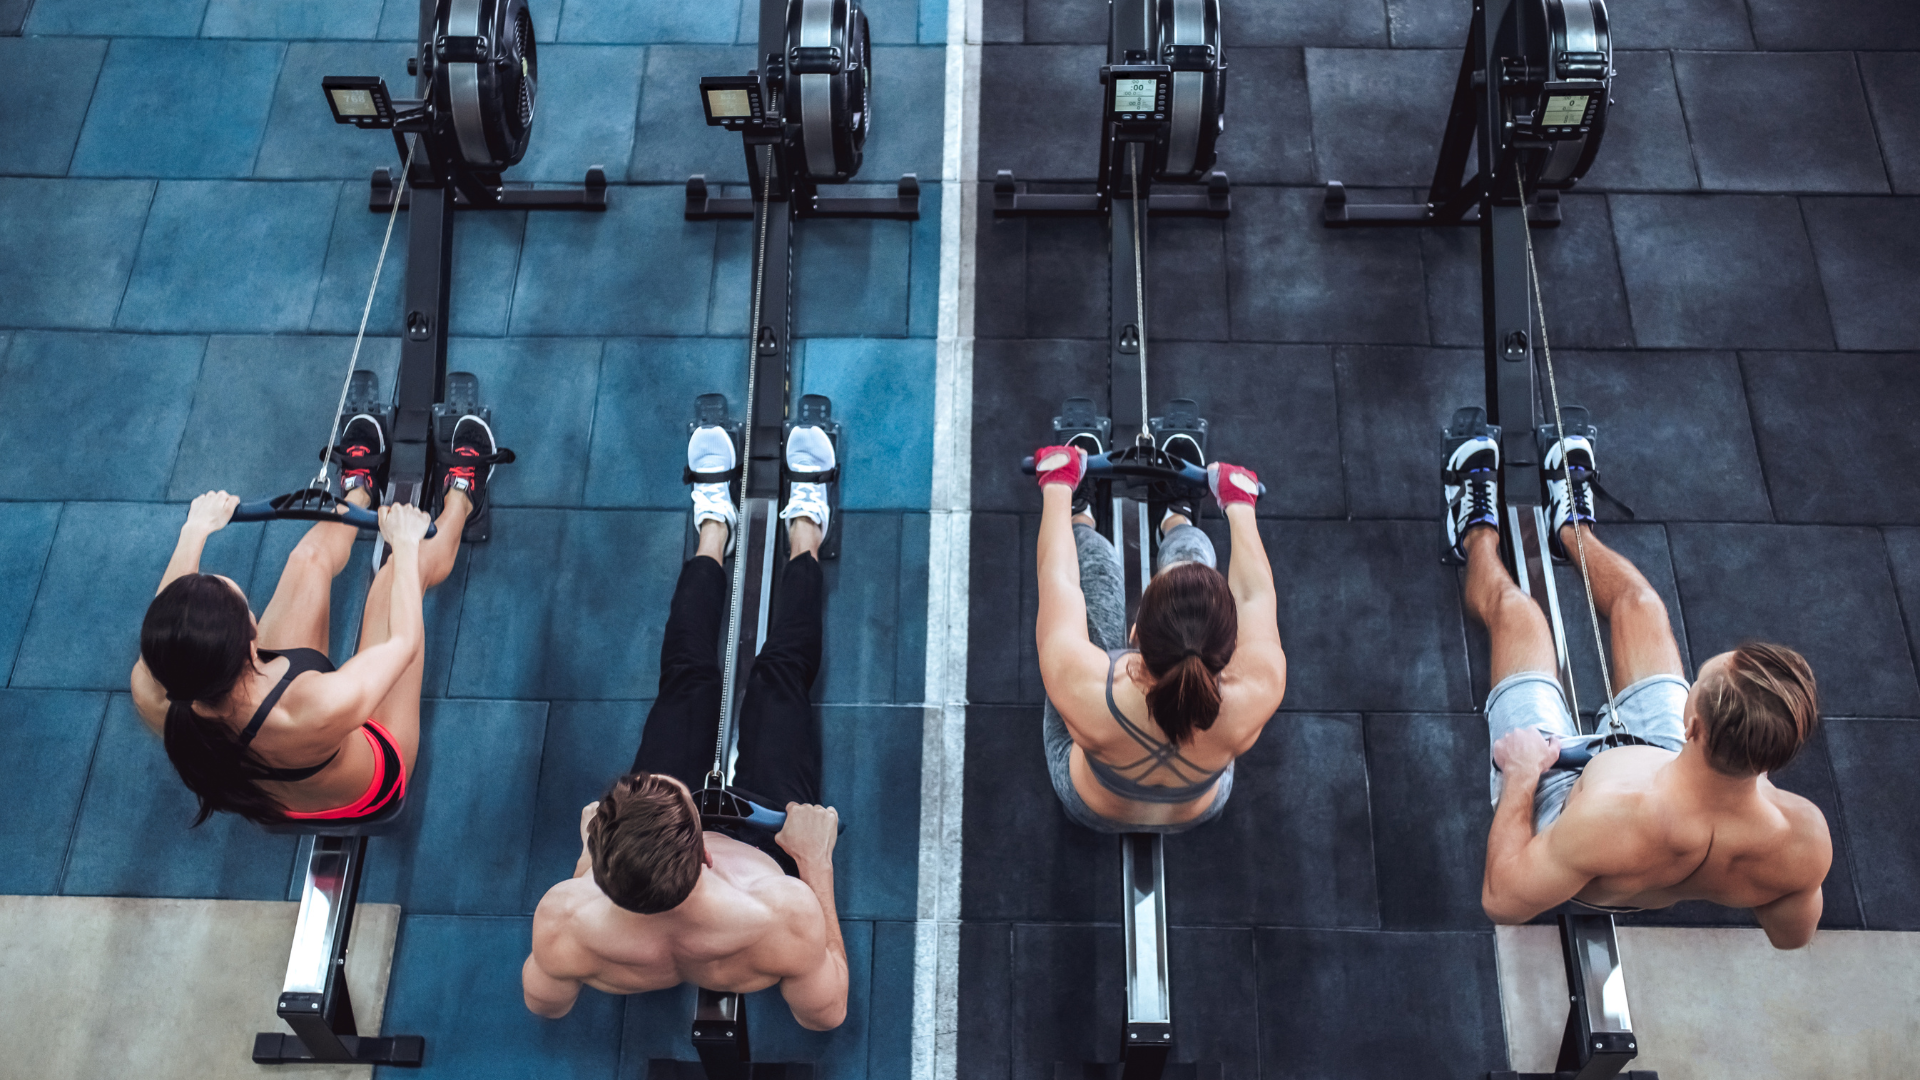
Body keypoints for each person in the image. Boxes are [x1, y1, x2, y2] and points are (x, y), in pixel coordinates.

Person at [1444, 413, 1832, 948]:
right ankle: (1572, 529)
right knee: (1642, 605)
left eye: (1700, 679)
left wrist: (1520, 774)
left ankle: (1474, 533)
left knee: (1519, 614)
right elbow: (1790, 935)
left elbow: (1503, 899)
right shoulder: (1804, 837)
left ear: (1694, 721)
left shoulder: (1605, 822)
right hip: (1664, 759)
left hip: (1563, 793)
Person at [522, 422, 847, 1031]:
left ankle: (712, 529)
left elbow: (547, 1002)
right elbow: (826, 1015)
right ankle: (805, 534)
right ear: (703, 852)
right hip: (767, 839)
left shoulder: (564, 919)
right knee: (780, 678)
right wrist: (815, 859)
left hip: (627, 908)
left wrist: (585, 866)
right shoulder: (778, 914)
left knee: (689, 678)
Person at [130, 410, 503, 825]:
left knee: (306, 560)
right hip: (369, 785)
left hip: (276, 772)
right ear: (251, 635)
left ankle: (358, 492)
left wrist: (195, 531)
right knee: (396, 579)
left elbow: (169, 614)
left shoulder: (157, 689)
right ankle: (462, 500)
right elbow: (404, 642)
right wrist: (408, 541)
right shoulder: (313, 706)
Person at [1030, 431, 1287, 833]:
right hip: (1196, 809)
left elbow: (1057, 577)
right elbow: (1255, 597)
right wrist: (1239, 505)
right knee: (1193, 563)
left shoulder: (1084, 685)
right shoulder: (1260, 688)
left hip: (1092, 806)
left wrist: (1059, 485)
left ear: (1134, 634)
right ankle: (1177, 518)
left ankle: (1081, 515)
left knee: (1094, 576)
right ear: (1231, 649)